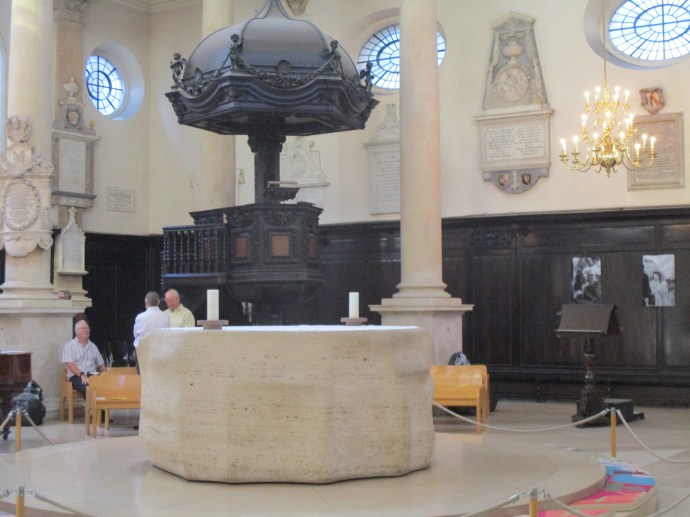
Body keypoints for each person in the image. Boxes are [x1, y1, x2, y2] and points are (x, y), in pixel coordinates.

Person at [62, 320, 106, 398]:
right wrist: (82, 374)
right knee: (88, 388)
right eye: (83, 328)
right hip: (76, 376)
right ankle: (93, 405)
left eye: (88, 328)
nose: (87, 330)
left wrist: (106, 377)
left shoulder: (93, 346)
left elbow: (101, 365)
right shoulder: (69, 346)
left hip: (93, 375)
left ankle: (100, 405)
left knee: (105, 385)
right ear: (77, 331)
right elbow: (70, 365)